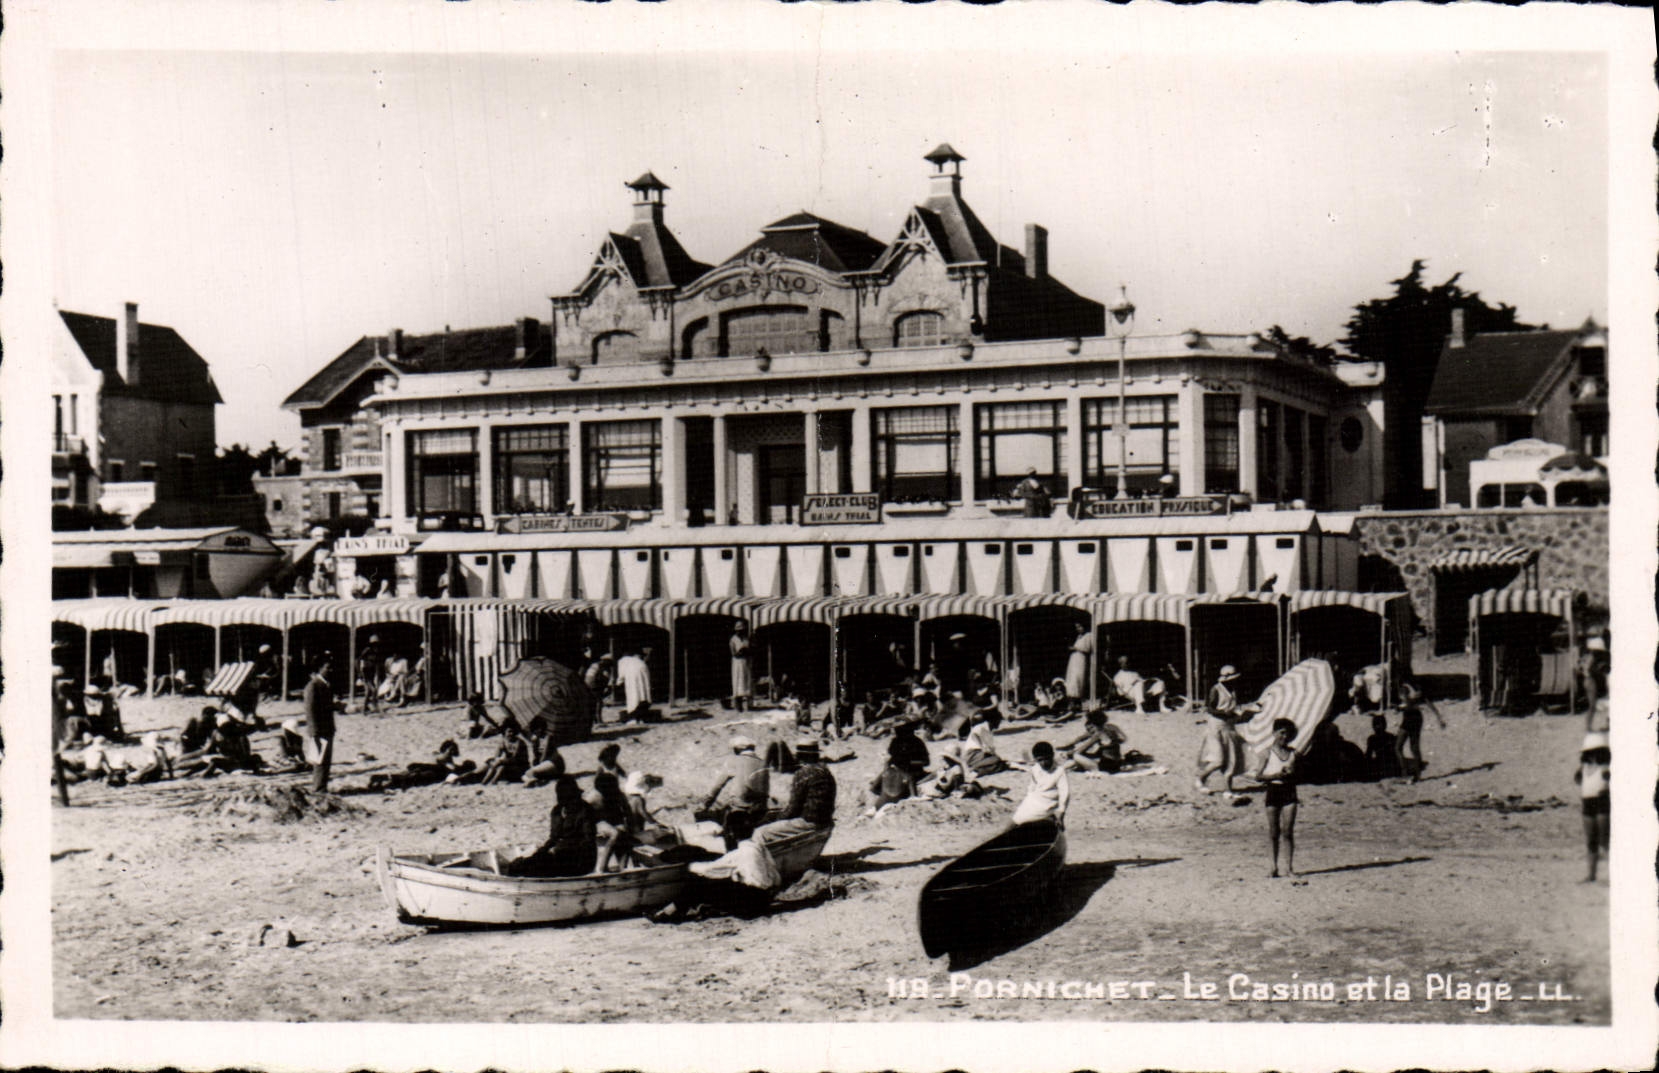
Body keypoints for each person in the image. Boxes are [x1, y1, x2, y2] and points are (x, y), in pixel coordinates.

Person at [655, 811, 781, 922]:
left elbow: (708, 870)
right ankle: (693, 907)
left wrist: (689, 866)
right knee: (714, 867)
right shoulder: (760, 848)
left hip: (751, 906)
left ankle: (669, 912)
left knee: (701, 883)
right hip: (766, 899)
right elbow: (776, 877)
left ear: (731, 833)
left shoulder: (739, 854)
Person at [757, 738, 837, 847]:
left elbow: (793, 809)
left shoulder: (803, 773)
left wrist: (775, 818)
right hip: (825, 820)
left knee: (760, 833)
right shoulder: (825, 771)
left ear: (801, 756)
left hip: (809, 822)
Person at [512, 776, 598, 878]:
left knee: (538, 868)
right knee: (521, 865)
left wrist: (560, 849)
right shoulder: (557, 811)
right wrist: (541, 851)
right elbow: (554, 838)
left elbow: (588, 841)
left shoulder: (585, 810)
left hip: (581, 859)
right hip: (562, 855)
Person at [1251, 718, 1301, 878]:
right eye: (1281, 733)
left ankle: (1289, 868)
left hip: (1289, 791)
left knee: (1288, 831)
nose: (1284, 737)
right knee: (1274, 832)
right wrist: (1276, 775)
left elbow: (1304, 774)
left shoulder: (1294, 753)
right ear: (1274, 733)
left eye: (1288, 734)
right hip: (1273, 790)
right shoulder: (1266, 753)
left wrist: (1294, 774)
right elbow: (1258, 776)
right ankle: (1273, 867)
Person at [1196, 665, 1253, 797]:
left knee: (1231, 758)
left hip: (1229, 726)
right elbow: (1209, 708)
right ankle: (1201, 778)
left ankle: (1228, 789)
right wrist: (1224, 713)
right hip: (1216, 727)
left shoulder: (1232, 690)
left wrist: (1240, 714)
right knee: (1218, 760)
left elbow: (1233, 707)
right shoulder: (1216, 689)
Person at [698, 736, 771, 836]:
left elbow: (718, 785)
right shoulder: (763, 763)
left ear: (737, 749)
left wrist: (705, 804)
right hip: (760, 810)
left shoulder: (734, 761)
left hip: (740, 810)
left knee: (728, 833)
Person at [1574, 731, 1610, 882]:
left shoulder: (1606, 768)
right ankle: (1591, 875)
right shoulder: (1584, 768)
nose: (1591, 754)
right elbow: (1578, 781)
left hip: (1601, 802)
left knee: (1604, 840)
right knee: (1591, 840)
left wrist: (1607, 788)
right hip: (1587, 803)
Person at [1394, 679, 1445, 782]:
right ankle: (1417, 775)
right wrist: (1439, 717)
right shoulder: (1416, 687)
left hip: (1409, 717)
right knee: (1414, 748)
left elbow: (1407, 703)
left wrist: (1400, 708)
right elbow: (1427, 702)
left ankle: (1405, 773)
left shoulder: (1404, 686)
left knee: (1398, 747)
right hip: (1417, 717)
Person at [1011, 741, 1070, 826]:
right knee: (1015, 819)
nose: (1044, 763)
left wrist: (1061, 812)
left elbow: (1065, 793)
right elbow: (1032, 786)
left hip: (1048, 804)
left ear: (1052, 756)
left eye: (1046, 759)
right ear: (1035, 759)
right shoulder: (1035, 769)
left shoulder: (1059, 771)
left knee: (1018, 822)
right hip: (1034, 800)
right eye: (1040, 760)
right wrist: (1028, 800)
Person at [590, 771, 638, 872]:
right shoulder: (594, 797)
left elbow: (628, 813)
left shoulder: (618, 795)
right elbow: (585, 815)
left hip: (612, 823)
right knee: (615, 834)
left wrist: (629, 827)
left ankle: (623, 867)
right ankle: (602, 868)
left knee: (624, 836)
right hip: (597, 822)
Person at [302, 659, 336, 793]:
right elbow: (310, 710)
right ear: (320, 668)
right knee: (319, 761)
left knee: (326, 760)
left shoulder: (326, 685)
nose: (331, 670)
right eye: (328, 667)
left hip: (327, 728)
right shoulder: (313, 686)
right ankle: (318, 788)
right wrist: (314, 731)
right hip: (318, 729)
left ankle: (322, 787)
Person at [1061, 707, 1129, 772]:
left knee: (1076, 756)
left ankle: (1062, 768)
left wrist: (1068, 753)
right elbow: (1124, 738)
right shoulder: (1112, 727)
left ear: (1094, 724)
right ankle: (1063, 768)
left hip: (1107, 767)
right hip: (1117, 763)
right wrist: (1112, 743)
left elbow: (1081, 750)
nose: (1089, 731)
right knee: (1090, 755)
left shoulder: (1098, 734)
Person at [615, 648, 652, 723]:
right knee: (643, 693)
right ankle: (642, 717)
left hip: (633, 675)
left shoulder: (622, 661)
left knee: (633, 695)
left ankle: (633, 718)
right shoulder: (637, 660)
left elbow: (621, 675)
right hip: (643, 670)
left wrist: (618, 683)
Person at [1363, 714, 1401, 780]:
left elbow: (1368, 755)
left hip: (1381, 764)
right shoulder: (1391, 736)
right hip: (1393, 765)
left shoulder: (1372, 738)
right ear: (1385, 725)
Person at [1064, 622, 1093, 703]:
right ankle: (1071, 698)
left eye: (1080, 627)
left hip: (1081, 658)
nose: (1078, 629)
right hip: (1074, 658)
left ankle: (1077, 698)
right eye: (1077, 627)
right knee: (1072, 677)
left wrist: (1075, 648)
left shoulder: (1089, 635)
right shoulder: (1079, 636)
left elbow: (1087, 648)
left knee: (1078, 677)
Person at [357, 634, 385, 713]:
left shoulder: (377, 652)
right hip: (365, 672)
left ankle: (365, 708)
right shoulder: (367, 650)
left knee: (368, 692)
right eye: (374, 643)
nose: (375, 645)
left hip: (371, 672)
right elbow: (358, 660)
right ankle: (374, 705)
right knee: (373, 690)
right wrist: (359, 672)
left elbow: (377, 664)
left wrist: (377, 674)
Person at [729, 621, 753, 712]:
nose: (740, 632)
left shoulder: (746, 639)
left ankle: (748, 705)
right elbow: (733, 653)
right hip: (737, 662)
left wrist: (747, 651)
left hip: (746, 661)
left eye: (742, 630)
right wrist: (740, 652)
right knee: (738, 681)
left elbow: (750, 650)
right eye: (738, 630)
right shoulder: (733, 639)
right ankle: (738, 705)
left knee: (747, 682)